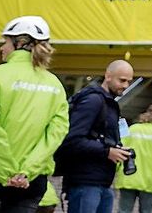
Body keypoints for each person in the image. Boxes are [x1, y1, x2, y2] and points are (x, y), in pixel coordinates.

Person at [0, 15, 69, 213]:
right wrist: (25, 173)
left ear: (21, 43)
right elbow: (55, 135)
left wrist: (8, 172)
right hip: (30, 182)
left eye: (5, 42)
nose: (1, 48)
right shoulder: (56, 85)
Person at [56, 60, 135, 213]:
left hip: (101, 181)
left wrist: (114, 149)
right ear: (108, 76)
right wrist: (107, 151)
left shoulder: (108, 103)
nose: (125, 86)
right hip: (85, 182)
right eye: (122, 80)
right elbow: (72, 140)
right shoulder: (93, 100)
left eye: (129, 81)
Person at [115, 104, 152, 213]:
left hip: (129, 176)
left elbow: (121, 147)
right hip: (149, 180)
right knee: (146, 210)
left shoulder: (132, 129)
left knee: (124, 210)